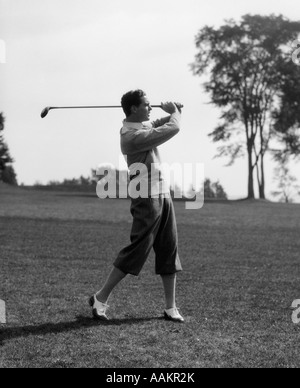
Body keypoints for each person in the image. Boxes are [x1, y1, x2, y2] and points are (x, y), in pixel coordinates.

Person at [89, 90, 184, 323]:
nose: (150, 108)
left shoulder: (140, 128)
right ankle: (100, 298)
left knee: (169, 249)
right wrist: (175, 113)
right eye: (147, 104)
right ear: (133, 108)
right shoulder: (131, 137)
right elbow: (172, 128)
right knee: (137, 251)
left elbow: (158, 122)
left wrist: (170, 111)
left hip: (163, 194)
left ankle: (170, 307)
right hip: (146, 197)